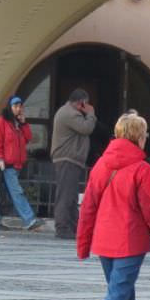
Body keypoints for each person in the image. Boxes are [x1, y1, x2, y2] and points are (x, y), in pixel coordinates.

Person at [77, 111, 150, 300]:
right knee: (119, 291)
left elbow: (88, 208)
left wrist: (83, 244)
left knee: (122, 290)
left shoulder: (101, 165)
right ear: (139, 136)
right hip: (130, 239)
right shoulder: (142, 169)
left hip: (103, 240)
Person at [0, 95, 43, 231]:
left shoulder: (17, 123)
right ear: (9, 107)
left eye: (20, 106)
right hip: (6, 166)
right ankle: (29, 220)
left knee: (6, 194)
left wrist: (24, 124)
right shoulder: (1, 122)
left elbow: (28, 138)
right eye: (15, 106)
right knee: (17, 192)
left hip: (16, 165)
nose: (18, 109)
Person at [52, 89, 97, 239]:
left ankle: (72, 227)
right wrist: (91, 113)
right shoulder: (70, 113)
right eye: (86, 103)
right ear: (81, 103)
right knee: (66, 194)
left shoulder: (67, 112)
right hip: (67, 158)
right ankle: (62, 228)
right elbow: (86, 128)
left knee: (70, 195)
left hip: (69, 159)